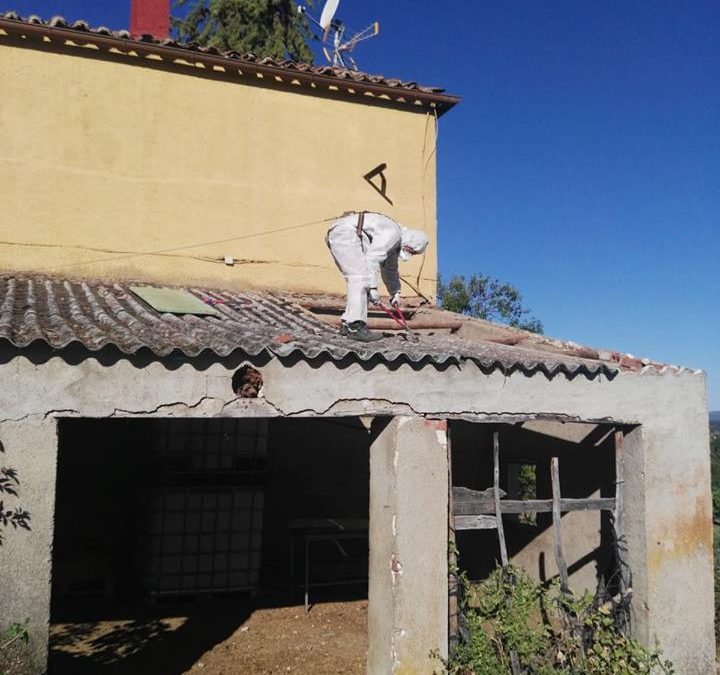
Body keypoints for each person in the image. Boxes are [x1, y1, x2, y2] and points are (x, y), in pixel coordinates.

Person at [326, 211, 429, 342]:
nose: (410, 253)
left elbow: (390, 270)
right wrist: (374, 289)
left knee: (359, 281)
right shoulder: (394, 233)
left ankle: (347, 324)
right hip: (346, 234)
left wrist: (395, 293)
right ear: (411, 240)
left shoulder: (395, 245)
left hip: (343, 234)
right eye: (411, 250)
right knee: (361, 278)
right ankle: (356, 327)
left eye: (413, 253)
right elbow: (373, 258)